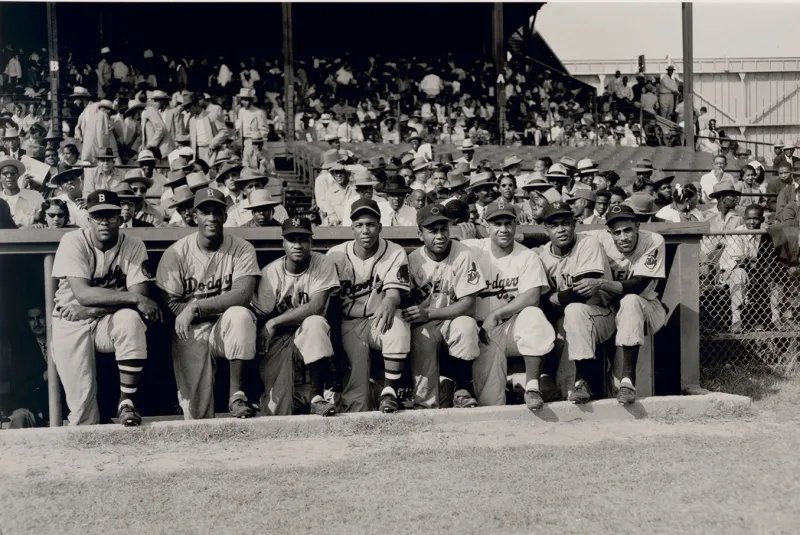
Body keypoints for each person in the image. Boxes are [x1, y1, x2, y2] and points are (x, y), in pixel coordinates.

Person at [50, 189, 160, 426]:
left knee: (130, 320)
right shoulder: (72, 240)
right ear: (88, 219)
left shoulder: (133, 244)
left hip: (100, 318)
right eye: (98, 216)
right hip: (70, 321)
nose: (104, 222)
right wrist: (129, 298)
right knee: (82, 410)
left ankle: (126, 403)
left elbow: (139, 295)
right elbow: (84, 294)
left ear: (120, 218)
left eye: (110, 215)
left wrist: (93, 310)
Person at [156, 187, 260, 420]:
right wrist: (194, 312)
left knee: (239, 315)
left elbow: (242, 295)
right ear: (194, 216)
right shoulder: (177, 252)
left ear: (225, 216)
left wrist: (196, 307)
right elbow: (169, 303)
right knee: (195, 409)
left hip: (225, 324)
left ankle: (237, 395)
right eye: (205, 212)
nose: (211, 218)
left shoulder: (242, 248)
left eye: (217, 212)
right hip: (191, 328)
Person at [461, 201, 556, 410]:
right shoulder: (472, 249)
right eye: (497, 224)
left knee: (533, 315)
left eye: (508, 223)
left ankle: (532, 386)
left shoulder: (526, 255)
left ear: (515, 226)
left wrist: (497, 314)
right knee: (490, 404)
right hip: (483, 331)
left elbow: (532, 296)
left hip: (512, 325)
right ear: (487, 227)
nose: (503, 229)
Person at [326, 199, 411, 413]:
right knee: (357, 398)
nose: (366, 230)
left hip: (376, 321)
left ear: (380, 227)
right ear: (351, 228)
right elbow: (331, 308)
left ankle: (390, 392)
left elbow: (394, 294)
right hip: (347, 324)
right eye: (359, 225)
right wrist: (336, 347)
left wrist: (390, 300)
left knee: (398, 323)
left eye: (371, 224)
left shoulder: (394, 251)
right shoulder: (335, 255)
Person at [251, 217, 340, 416]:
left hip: (309, 332)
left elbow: (317, 307)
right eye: (292, 239)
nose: (298, 245)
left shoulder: (322, 263)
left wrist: (275, 321)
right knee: (277, 409)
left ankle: (317, 397)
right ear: (283, 243)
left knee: (315, 322)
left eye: (303, 239)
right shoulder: (270, 272)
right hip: (280, 338)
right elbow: (260, 316)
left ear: (311, 242)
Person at [403, 204, 483, 409]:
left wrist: (429, 313)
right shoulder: (413, 261)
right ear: (420, 234)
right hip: (424, 324)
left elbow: (469, 305)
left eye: (443, 229)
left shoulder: (463, 253)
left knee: (466, 326)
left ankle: (463, 389)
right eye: (432, 231)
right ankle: (425, 401)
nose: (440, 236)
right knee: (421, 337)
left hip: (451, 318)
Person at [536, 202, 614, 402]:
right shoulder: (541, 255)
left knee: (574, 311)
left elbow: (582, 292)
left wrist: (552, 298)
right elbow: (536, 299)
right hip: (567, 317)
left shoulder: (587, 244)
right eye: (554, 225)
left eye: (566, 223)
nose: (561, 229)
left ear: (574, 224)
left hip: (601, 314)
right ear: (546, 229)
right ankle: (558, 392)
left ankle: (580, 383)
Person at [0, 157, 43, 227]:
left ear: (18, 175)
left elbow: (46, 219)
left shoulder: (35, 196)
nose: (9, 176)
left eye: (13, 173)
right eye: (5, 173)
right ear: (0, 177)